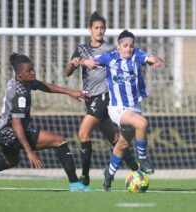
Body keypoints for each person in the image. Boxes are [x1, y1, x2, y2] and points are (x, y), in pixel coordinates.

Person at [0, 53, 93, 192]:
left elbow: (43, 86)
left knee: (10, 161)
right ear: (19, 74)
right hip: (11, 131)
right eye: (29, 70)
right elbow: (17, 123)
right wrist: (29, 152)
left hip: (1, 130)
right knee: (59, 141)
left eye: (32, 69)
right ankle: (75, 184)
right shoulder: (20, 93)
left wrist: (70, 92)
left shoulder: (22, 81)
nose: (33, 72)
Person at [64, 12, 138, 186]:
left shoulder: (111, 49)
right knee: (116, 141)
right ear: (90, 30)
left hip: (104, 97)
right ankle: (137, 170)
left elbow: (126, 58)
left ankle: (85, 176)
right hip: (90, 100)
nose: (100, 31)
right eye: (96, 28)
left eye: (102, 28)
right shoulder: (82, 49)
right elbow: (67, 72)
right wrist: (78, 62)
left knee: (83, 133)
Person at [84, 29, 164, 191]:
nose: (128, 49)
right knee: (142, 123)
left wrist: (157, 60)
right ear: (119, 46)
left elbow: (153, 57)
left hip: (134, 107)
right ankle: (143, 160)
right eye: (125, 45)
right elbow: (87, 60)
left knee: (123, 143)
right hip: (117, 108)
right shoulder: (110, 57)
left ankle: (109, 175)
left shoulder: (137, 56)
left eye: (131, 46)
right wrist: (84, 62)